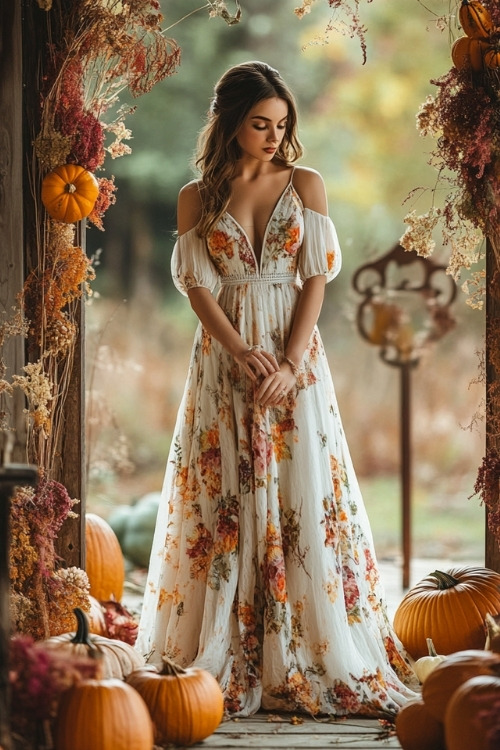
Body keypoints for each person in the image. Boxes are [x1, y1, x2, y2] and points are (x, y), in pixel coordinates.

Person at [136, 60, 418, 718]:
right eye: (260, 124)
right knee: (226, 491)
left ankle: (306, 646)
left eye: (282, 124)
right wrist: (240, 354)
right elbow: (199, 289)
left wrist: (290, 363)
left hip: (295, 355)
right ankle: (235, 648)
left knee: (303, 488)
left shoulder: (307, 185)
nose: (272, 136)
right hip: (226, 359)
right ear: (230, 124)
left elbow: (314, 278)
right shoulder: (197, 196)